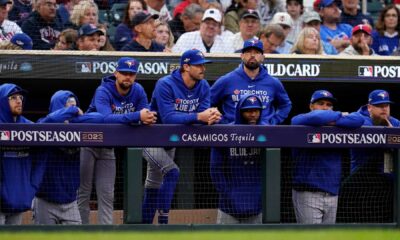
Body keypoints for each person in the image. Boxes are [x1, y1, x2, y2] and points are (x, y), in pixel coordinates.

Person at [142, 49, 222, 224]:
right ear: (186, 66)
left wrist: (212, 117)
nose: (203, 68)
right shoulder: (165, 84)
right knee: (172, 172)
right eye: (198, 65)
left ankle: (144, 227)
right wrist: (199, 117)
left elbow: (204, 116)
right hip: (151, 137)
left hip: (171, 141)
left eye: (203, 65)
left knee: (153, 183)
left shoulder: (203, 86)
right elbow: (169, 118)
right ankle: (163, 223)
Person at [78, 57, 157, 224]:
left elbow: (146, 112)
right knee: (83, 192)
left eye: (131, 74)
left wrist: (148, 117)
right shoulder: (103, 90)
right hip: (88, 142)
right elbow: (105, 119)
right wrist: (137, 116)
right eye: (124, 73)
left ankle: (105, 233)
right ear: (116, 73)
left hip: (108, 147)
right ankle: (81, 230)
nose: (128, 77)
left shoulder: (138, 90)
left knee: (107, 193)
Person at [291, 90, 364, 224]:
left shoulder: (336, 125)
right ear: (311, 106)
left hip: (332, 192)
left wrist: (331, 119)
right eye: (321, 104)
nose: (325, 107)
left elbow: (358, 119)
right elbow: (317, 118)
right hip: (308, 193)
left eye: (329, 105)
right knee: (311, 237)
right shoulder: (300, 119)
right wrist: (340, 116)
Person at [33, 90, 104, 225]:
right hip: (45, 200)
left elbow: (99, 117)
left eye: (75, 106)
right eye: (69, 106)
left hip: (70, 202)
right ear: (57, 106)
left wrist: (75, 117)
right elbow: (52, 119)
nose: (73, 109)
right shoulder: (44, 122)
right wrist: (73, 110)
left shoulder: (77, 126)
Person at [345, 89, 399, 222]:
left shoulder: (395, 123)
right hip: (362, 182)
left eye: (386, 105)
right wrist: (389, 135)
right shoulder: (358, 119)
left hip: (387, 182)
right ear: (369, 107)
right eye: (379, 106)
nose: (384, 109)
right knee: (363, 223)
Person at [210, 94, 265, 224]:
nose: (253, 114)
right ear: (240, 112)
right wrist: (227, 194)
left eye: (256, 110)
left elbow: (272, 171)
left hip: (257, 204)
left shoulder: (266, 132)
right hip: (228, 206)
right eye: (248, 110)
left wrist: (262, 195)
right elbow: (215, 170)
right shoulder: (226, 133)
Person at [211, 38, 292, 124]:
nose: (252, 55)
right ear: (241, 56)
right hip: (233, 132)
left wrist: (272, 122)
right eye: (248, 52)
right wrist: (221, 121)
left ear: (262, 57)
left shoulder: (273, 82)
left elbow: (286, 104)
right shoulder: (226, 80)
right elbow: (208, 101)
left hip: (264, 133)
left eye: (257, 52)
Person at [0, 83, 46, 225]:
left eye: (20, 97)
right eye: (13, 97)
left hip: (19, 199)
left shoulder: (29, 127)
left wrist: (31, 187)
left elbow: (41, 159)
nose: (19, 100)